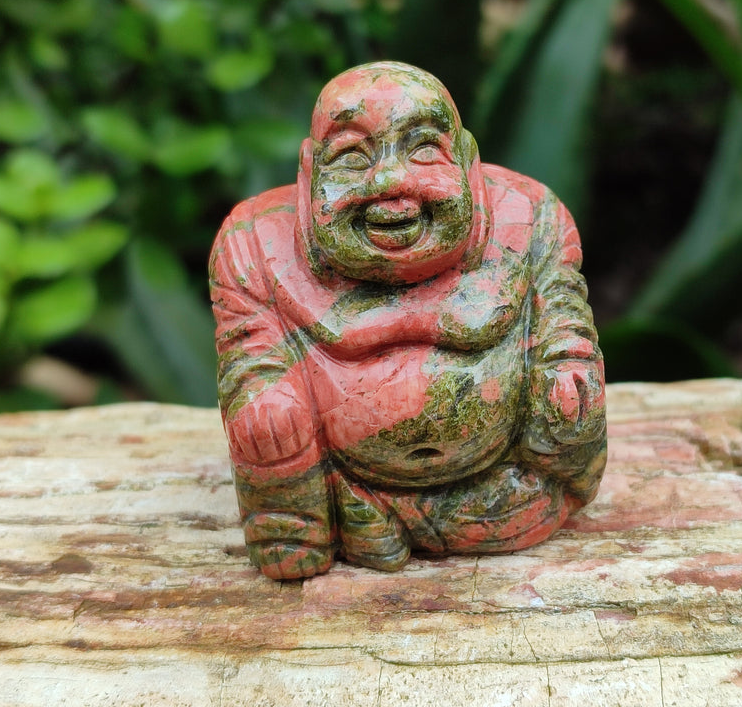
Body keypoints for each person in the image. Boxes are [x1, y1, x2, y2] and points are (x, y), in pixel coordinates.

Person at [210, 62, 606, 580]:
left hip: (509, 479)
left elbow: (564, 319)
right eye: (352, 157)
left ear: (466, 162)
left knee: (573, 405)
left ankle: (396, 521)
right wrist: (267, 405)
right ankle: (308, 524)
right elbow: (251, 353)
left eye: (422, 150)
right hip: (335, 480)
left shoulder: (530, 218)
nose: (391, 181)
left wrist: (567, 372)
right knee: (264, 421)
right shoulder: (254, 243)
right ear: (309, 173)